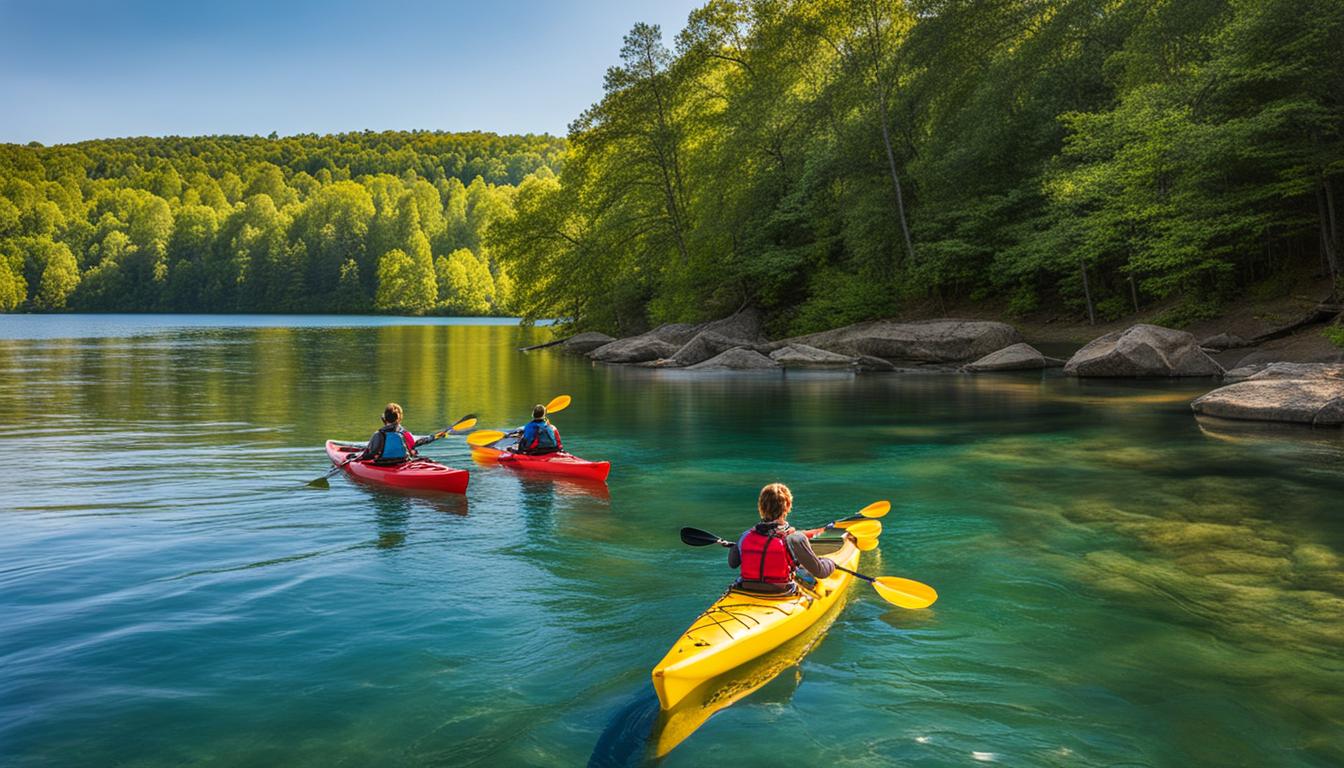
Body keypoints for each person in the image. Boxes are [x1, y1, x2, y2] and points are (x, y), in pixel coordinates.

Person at [727, 483, 838, 595]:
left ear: (761, 506)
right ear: (788, 505)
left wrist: (736, 547)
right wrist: (830, 562)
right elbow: (820, 572)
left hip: (746, 588)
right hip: (781, 592)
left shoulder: (745, 536)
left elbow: (732, 563)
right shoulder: (794, 539)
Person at [352, 403, 418, 464]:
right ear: (399, 418)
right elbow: (413, 451)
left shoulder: (378, 434)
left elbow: (371, 454)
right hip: (403, 461)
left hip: (383, 463)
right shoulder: (405, 433)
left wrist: (357, 457)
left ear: (385, 418)